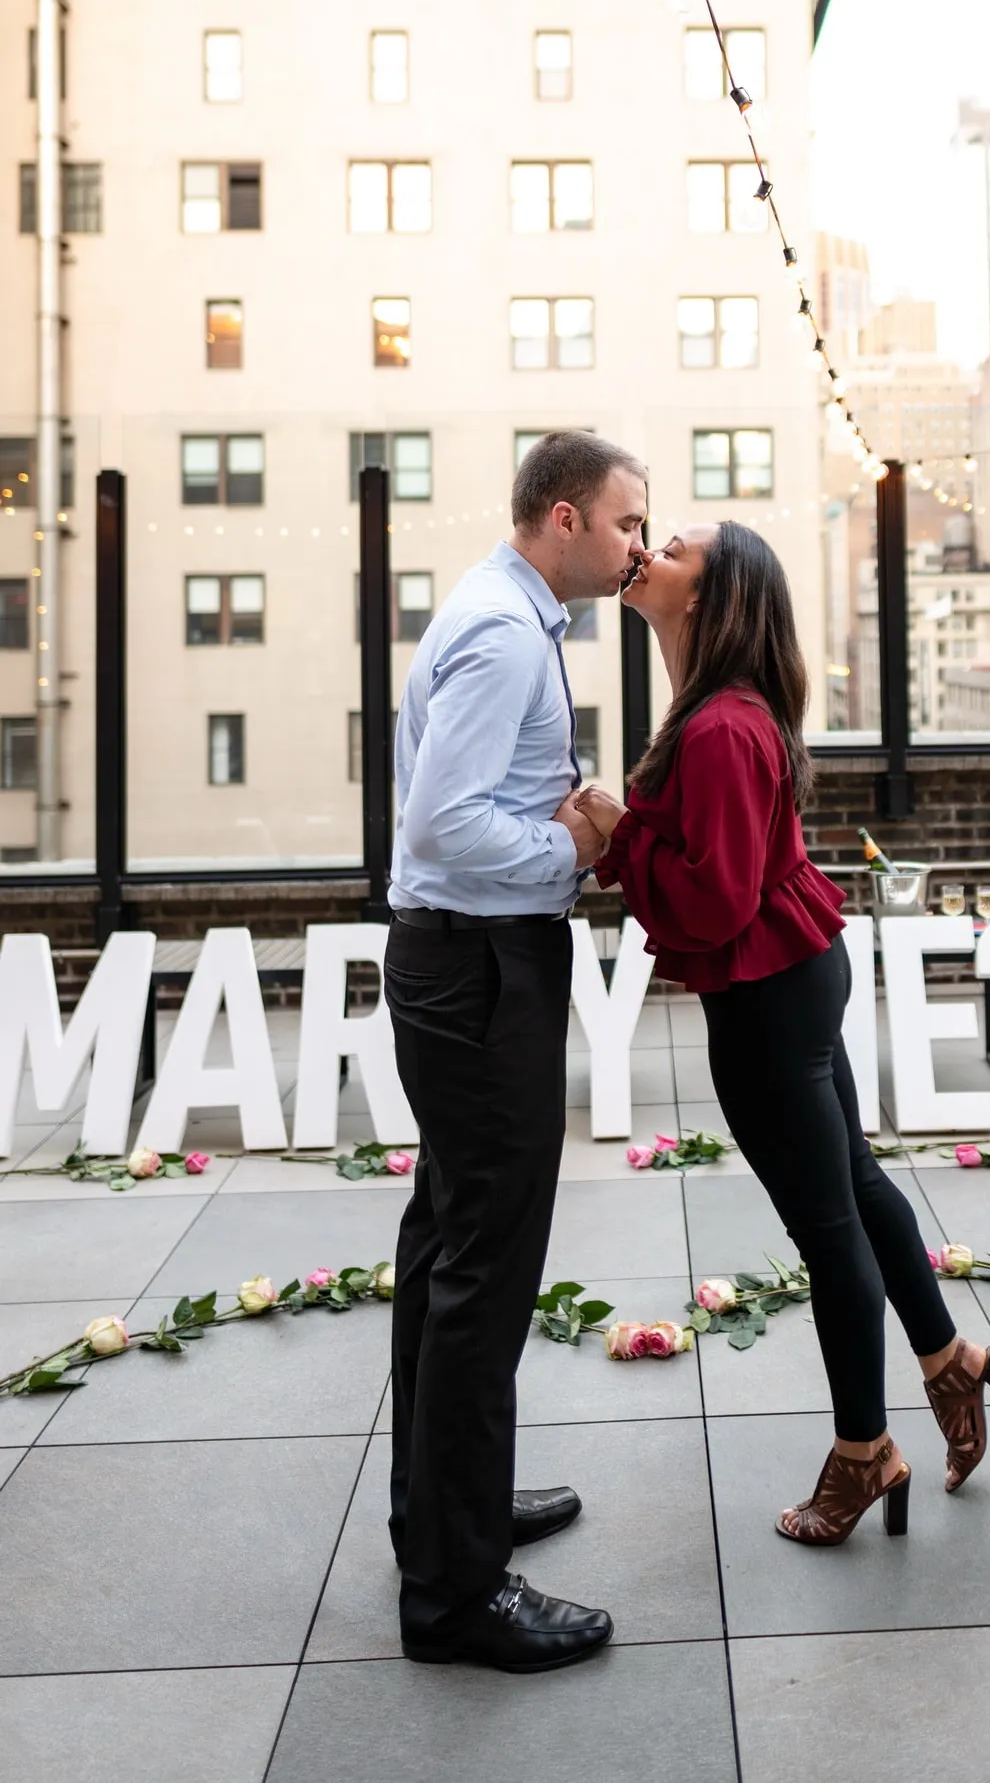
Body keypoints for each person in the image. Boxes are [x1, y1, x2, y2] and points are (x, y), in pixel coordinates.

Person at [576, 521, 990, 1547]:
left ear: (711, 595)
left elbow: (714, 899)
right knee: (856, 1187)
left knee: (828, 1227)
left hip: (768, 993)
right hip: (791, 974)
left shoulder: (723, 729)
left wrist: (621, 836)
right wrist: (639, 830)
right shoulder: (720, 710)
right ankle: (948, 1359)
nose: (651, 546)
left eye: (675, 543)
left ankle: (863, 1453)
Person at [383, 431, 648, 1669]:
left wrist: (565, 802)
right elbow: (444, 824)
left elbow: (477, 795)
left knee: (448, 1243)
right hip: (481, 969)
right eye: (626, 522)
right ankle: (456, 1595)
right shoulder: (503, 631)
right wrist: (577, 852)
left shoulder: (505, 612)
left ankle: (445, 1521)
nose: (638, 545)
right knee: (483, 1272)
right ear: (563, 518)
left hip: (466, 967)